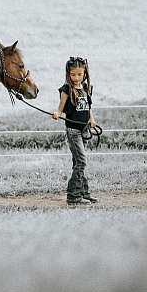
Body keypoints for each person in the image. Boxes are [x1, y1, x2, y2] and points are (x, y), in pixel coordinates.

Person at [52, 57, 99, 206]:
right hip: (73, 131)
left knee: (77, 162)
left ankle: (84, 192)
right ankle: (73, 196)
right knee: (82, 161)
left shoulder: (86, 88)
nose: (76, 78)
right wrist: (58, 113)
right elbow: (61, 106)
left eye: (79, 74)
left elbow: (88, 107)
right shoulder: (66, 89)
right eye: (73, 75)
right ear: (68, 74)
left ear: (84, 73)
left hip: (84, 128)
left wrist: (92, 119)